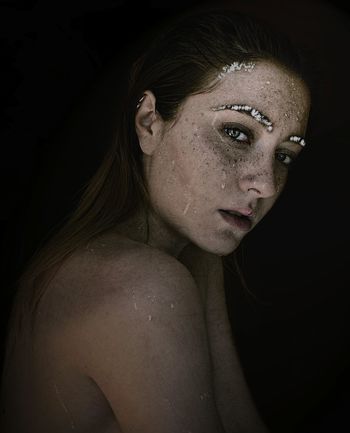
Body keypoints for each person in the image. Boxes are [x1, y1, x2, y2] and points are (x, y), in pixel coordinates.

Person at [0, 3, 311, 433]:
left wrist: (205, 268)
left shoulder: (179, 257)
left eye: (284, 155)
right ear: (149, 123)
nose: (267, 184)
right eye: (237, 133)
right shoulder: (141, 285)